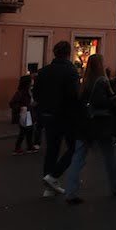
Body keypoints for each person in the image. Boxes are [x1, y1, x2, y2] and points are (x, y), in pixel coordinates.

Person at [64, 54, 116, 204]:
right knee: (108, 156)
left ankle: (70, 192)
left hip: (85, 123)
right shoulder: (103, 81)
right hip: (101, 123)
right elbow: (105, 102)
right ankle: (115, 185)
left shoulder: (84, 82)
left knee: (78, 157)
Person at [35, 41, 82, 197]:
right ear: (69, 53)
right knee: (74, 148)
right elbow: (74, 95)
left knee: (52, 150)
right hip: (67, 116)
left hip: (48, 115)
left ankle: (48, 187)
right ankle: (54, 176)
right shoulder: (71, 71)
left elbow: (36, 95)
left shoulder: (43, 72)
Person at [9, 75, 35, 154]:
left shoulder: (29, 91)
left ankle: (29, 147)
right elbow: (12, 103)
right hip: (24, 114)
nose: (32, 81)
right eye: (31, 80)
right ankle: (18, 148)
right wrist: (22, 107)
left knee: (29, 131)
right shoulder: (21, 92)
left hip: (28, 114)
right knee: (24, 131)